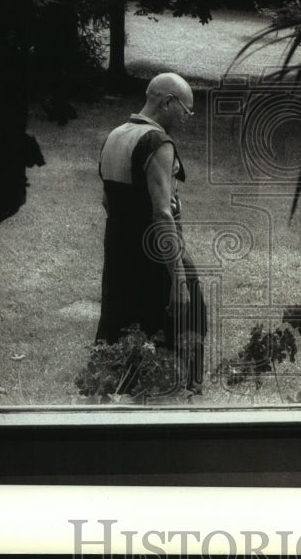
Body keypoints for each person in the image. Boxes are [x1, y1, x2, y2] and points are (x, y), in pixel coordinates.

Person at [94, 72, 206, 391]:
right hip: (153, 255)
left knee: (119, 326)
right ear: (168, 102)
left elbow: (107, 199)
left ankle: (112, 394)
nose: (186, 119)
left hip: (118, 250)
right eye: (186, 110)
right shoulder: (158, 142)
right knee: (189, 315)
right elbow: (162, 212)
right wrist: (177, 278)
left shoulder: (115, 134)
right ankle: (182, 397)